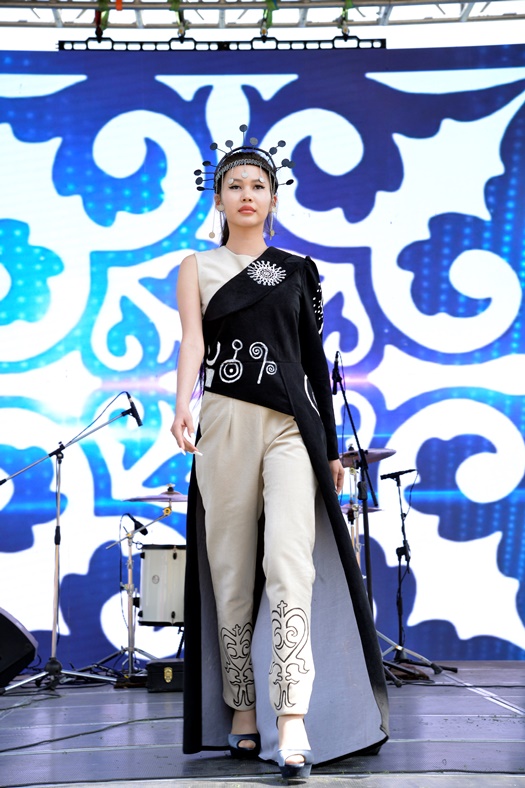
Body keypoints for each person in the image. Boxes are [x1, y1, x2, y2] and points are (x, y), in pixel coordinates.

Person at [171, 126, 389, 779]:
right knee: (231, 568)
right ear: (218, 198)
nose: (247, 194)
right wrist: (181, 405)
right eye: (235, 185)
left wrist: (331, 446)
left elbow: (314, 363)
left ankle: (292, 718)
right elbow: (191, 344)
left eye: (258, 185)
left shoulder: (297, 270)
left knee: (290, 563)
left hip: (293, 424)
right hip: (224, 420)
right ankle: (243, 709)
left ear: (273, 197)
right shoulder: (195, 267)